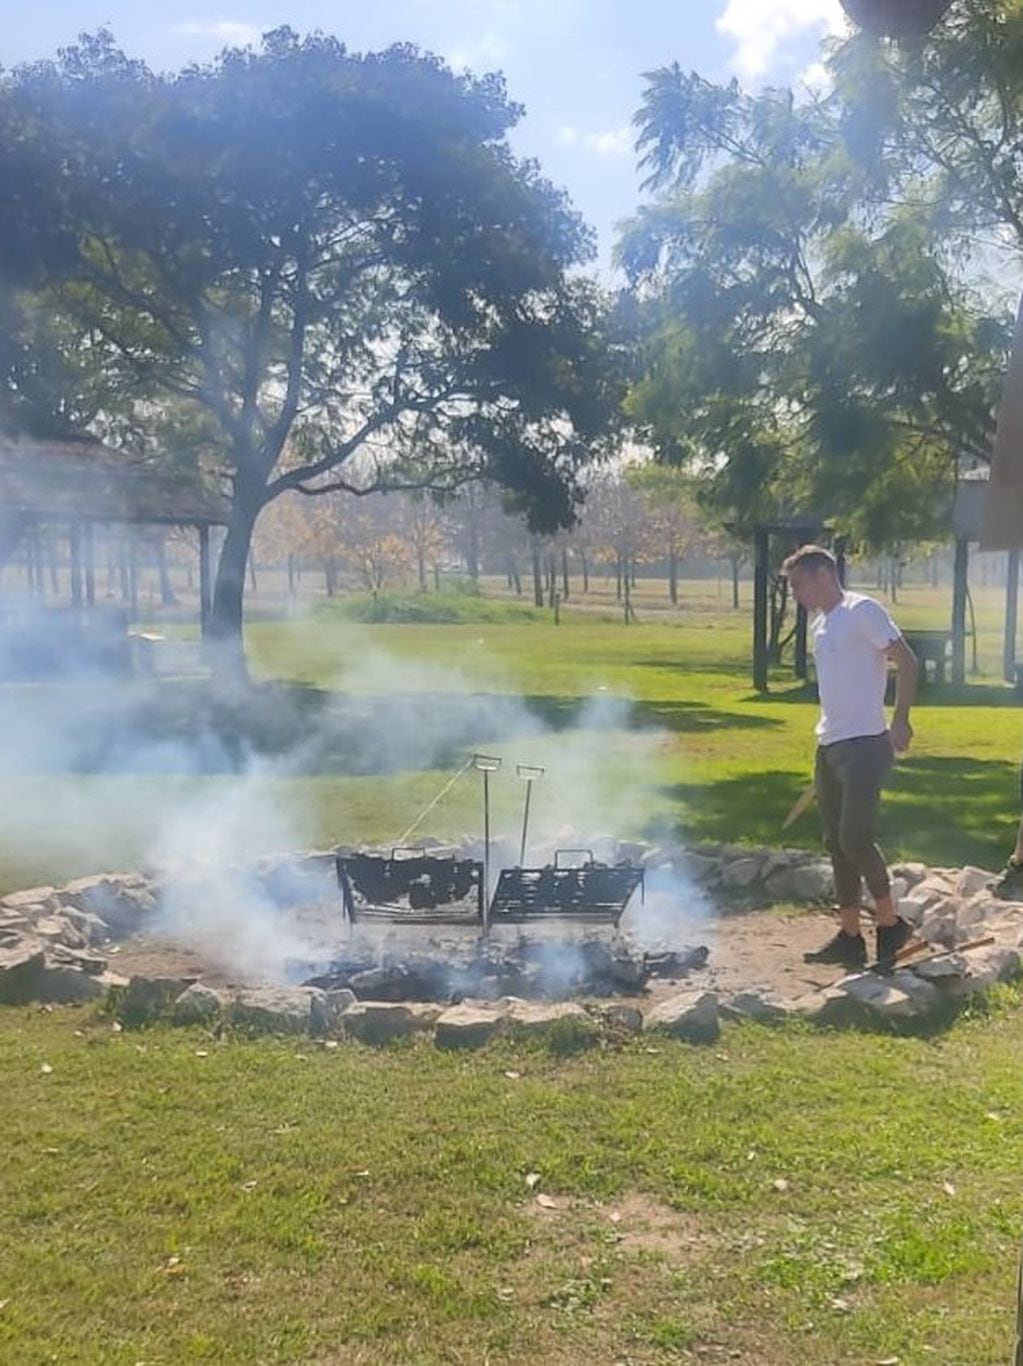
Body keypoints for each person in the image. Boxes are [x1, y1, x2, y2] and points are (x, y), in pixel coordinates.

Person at [782, 545, 920, 971]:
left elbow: (908, 663)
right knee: (836, 845)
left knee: (855, 838)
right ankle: (849, 937)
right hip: (831, 746)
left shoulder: (863, 610)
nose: (796, 595)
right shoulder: (822, 625)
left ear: (823, 573)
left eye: (798, 585)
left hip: (865, 745)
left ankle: (892, 925)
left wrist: (900, 719)